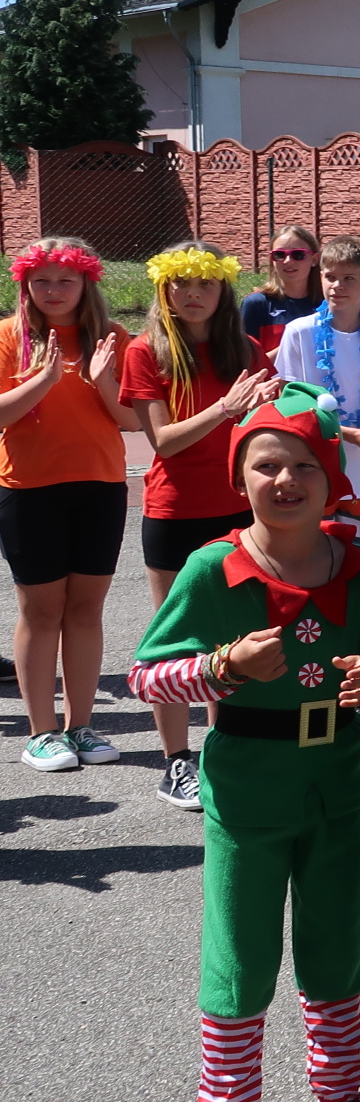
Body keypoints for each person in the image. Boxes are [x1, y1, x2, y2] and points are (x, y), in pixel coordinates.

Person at [127, 384, 360, 1102]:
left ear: (331, 478)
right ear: (239, 477)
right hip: (248, 783)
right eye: (265, 466)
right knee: (240, 957)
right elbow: (146, 677)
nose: (284, 481)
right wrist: (223, 667)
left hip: (337, 781)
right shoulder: (212, 569)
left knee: (336, 952)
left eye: (303, 466)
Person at [120, 242, 277, 807]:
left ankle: (222, 746)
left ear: (223, 290)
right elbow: (164, 441)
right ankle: (175, 760)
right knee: (176, 638)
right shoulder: (145, 351)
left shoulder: (246, 349)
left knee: (232, 634)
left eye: (205, 283)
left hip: (239, 508)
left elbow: (272, 422)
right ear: (164, 289)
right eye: (181, 283)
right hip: (176, 511)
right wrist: (226, 409)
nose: (192, 294)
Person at [2, 236, 138, 774]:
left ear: (86, 283)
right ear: (25, 285)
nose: (53, 290)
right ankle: (40, 732)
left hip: (100, 486)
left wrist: (103, 381)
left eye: (65, 280)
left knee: (85, 610)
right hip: (28, 489)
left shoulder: (113, 337)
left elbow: (133, 420)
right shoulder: (9, 336)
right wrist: (44, 379)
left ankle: (80, 724)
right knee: (41, 611)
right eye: (42, 281)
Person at [273, 235, 360, 538]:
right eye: (330, 277)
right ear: (320, 277)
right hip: (312, 465)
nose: (338, 286)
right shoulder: (299, 332)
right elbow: (291, 406)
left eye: (349, 278)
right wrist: (351, 434)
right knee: (315, 551)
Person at [240, 225, 322, 351]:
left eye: (298, 254)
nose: (287, 261)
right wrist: (293, 343)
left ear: (314, 259)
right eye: (279, 255)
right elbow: (246, 360)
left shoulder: (329, 304)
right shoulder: (256, 304)